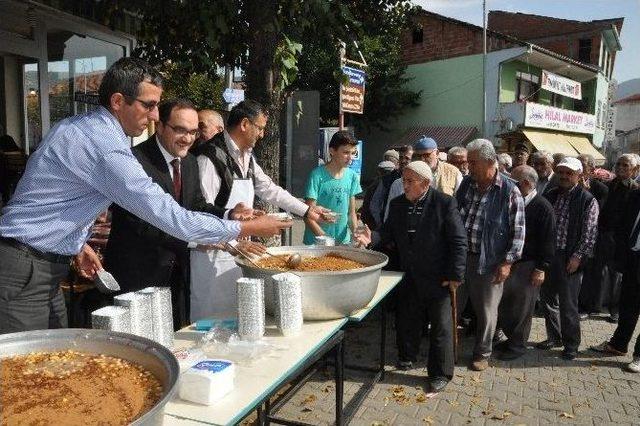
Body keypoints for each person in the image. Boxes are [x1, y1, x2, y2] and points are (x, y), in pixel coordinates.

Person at [0, 58, 290, 334]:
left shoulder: (79, 128)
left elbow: (52, 199)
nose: (153, 115)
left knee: (49, 366)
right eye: (149, 105)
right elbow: (173, 218)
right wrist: (245, 228)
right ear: (117, 101)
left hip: (37, 265)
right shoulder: (107, 149)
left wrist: (75, 244)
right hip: (26, 271)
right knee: (27, 375)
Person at [103, 99, 255, 328]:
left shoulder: (190, 162)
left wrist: (229, 214)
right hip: (138, 274)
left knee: (175, 339)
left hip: (178, 276)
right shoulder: (134, 161)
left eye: (193, 132)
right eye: (180, 130)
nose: (187, 138)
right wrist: (195, 241)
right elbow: (139, 222)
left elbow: (196, 205)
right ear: (161, 126)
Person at [189, 100, 330, 321]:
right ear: (245, 124)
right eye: (260, 128)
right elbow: (201, 217)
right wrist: (234, 243)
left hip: (242, 252)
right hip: (212, 257)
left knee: (239, 317)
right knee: (212, 322)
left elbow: (270, 189)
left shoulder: (247, 157)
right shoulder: (209, 158)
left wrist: (306, 211)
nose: (262, 134)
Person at [354, 161, 467, 392]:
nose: (403, 185)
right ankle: (407, 356)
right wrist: (371, 238)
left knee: (441, 326)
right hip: (409, 274)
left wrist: (456, 274)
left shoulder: (444, 203)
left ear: (425, 184)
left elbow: (458, 241)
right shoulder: (398, 205)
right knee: (407, 319)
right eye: (403, 180)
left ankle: (440, 373)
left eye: (409, 181)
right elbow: (386, 232)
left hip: (439, 276)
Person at [455, 138, 525, 371]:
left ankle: (482, 353)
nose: (469, 167)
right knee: (453, 302)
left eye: (473, 163)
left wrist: (507, 262)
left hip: (491, 262)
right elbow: (455, 218)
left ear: (489, 162)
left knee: (486, 310)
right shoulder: (466, 185)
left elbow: (518, 233)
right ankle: (448, 347)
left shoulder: (509, 191)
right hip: (462, 257)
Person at [537, 157, 599, 360]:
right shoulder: (550, 194)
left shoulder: (587, 200)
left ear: (579, 176)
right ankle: (554, 337)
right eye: (561, 172)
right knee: (547, 299)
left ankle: (571, 344)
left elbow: (589, 234)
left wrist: (577, 257)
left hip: (569, 257)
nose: (564, 176)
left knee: (568, 303)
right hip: (549, 255)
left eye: (569, 173)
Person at [496, 165, 555, 360]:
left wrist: (541, 268)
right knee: (508, 305)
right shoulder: (514, 200)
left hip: (529, 265)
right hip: (512, 261)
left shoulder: (542, 206)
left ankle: (517, 346)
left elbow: (548, 241)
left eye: (514, 181)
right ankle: (511, 339)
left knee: (522, 308)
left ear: (527, 184)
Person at [590, 187, 640, 373]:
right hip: (633, 258)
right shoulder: (635, 195)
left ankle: (639, 356)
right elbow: (623, 226)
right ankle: (618, 345)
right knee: (628, 306)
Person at [584, 154, 638, 321]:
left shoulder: (635, 190)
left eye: (625, 165)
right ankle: (594, 305)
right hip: (604, 234)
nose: (621, 167)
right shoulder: (610, 184)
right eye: (619, 164)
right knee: (597, 271)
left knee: (617, 274)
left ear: (634, 170)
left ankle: (615, 310)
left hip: (621, 239)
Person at [303, 130, 362, 245]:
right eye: (346, 152)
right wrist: (326, 238)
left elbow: (351, 213)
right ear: (332, 151)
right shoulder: (317, 175)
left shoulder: (352, 176)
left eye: (353, 153)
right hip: (317, 243)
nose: (350, 157)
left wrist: (356, 234)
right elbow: (307, 214)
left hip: (342, 242)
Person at [384, 137, 463, 221]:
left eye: (426, 155)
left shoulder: (453, 173)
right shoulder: (403, 180)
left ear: (436, 153)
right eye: (418, 156)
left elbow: (461, 204)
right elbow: (389, 216)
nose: (422, 159)